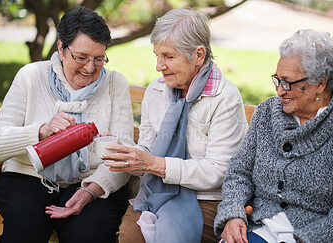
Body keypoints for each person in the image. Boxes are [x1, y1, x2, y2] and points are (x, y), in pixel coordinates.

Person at [214, 29, 333, 243]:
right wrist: (233, 214)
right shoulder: (266, 113)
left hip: (314, 236)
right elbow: (240, 171)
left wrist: (308, 239)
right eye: (277, 79)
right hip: (256, 228)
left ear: (320, 82)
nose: (279, 91)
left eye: (288, 82)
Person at [0, 6, 134, 243]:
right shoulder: (31, 76)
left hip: (91, 182)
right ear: (61, 48)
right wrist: (41, 131)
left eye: (99, 59)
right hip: (29, 177)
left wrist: (92, 189)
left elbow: (124, 153)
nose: (89, 68)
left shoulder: (115, 84)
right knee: (24, 234)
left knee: (88, 236)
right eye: (81, 57)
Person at [103, 8, 248, 243]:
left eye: (169, 57)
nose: (159, 66)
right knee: (130, 237)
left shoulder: (224, 97)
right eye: (157, 55)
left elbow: (218, 172)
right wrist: (128, 155)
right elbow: (148, 152)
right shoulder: (156, 90)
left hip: (206, 197)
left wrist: (155, 164)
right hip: (156, 191)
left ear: (199, 55)